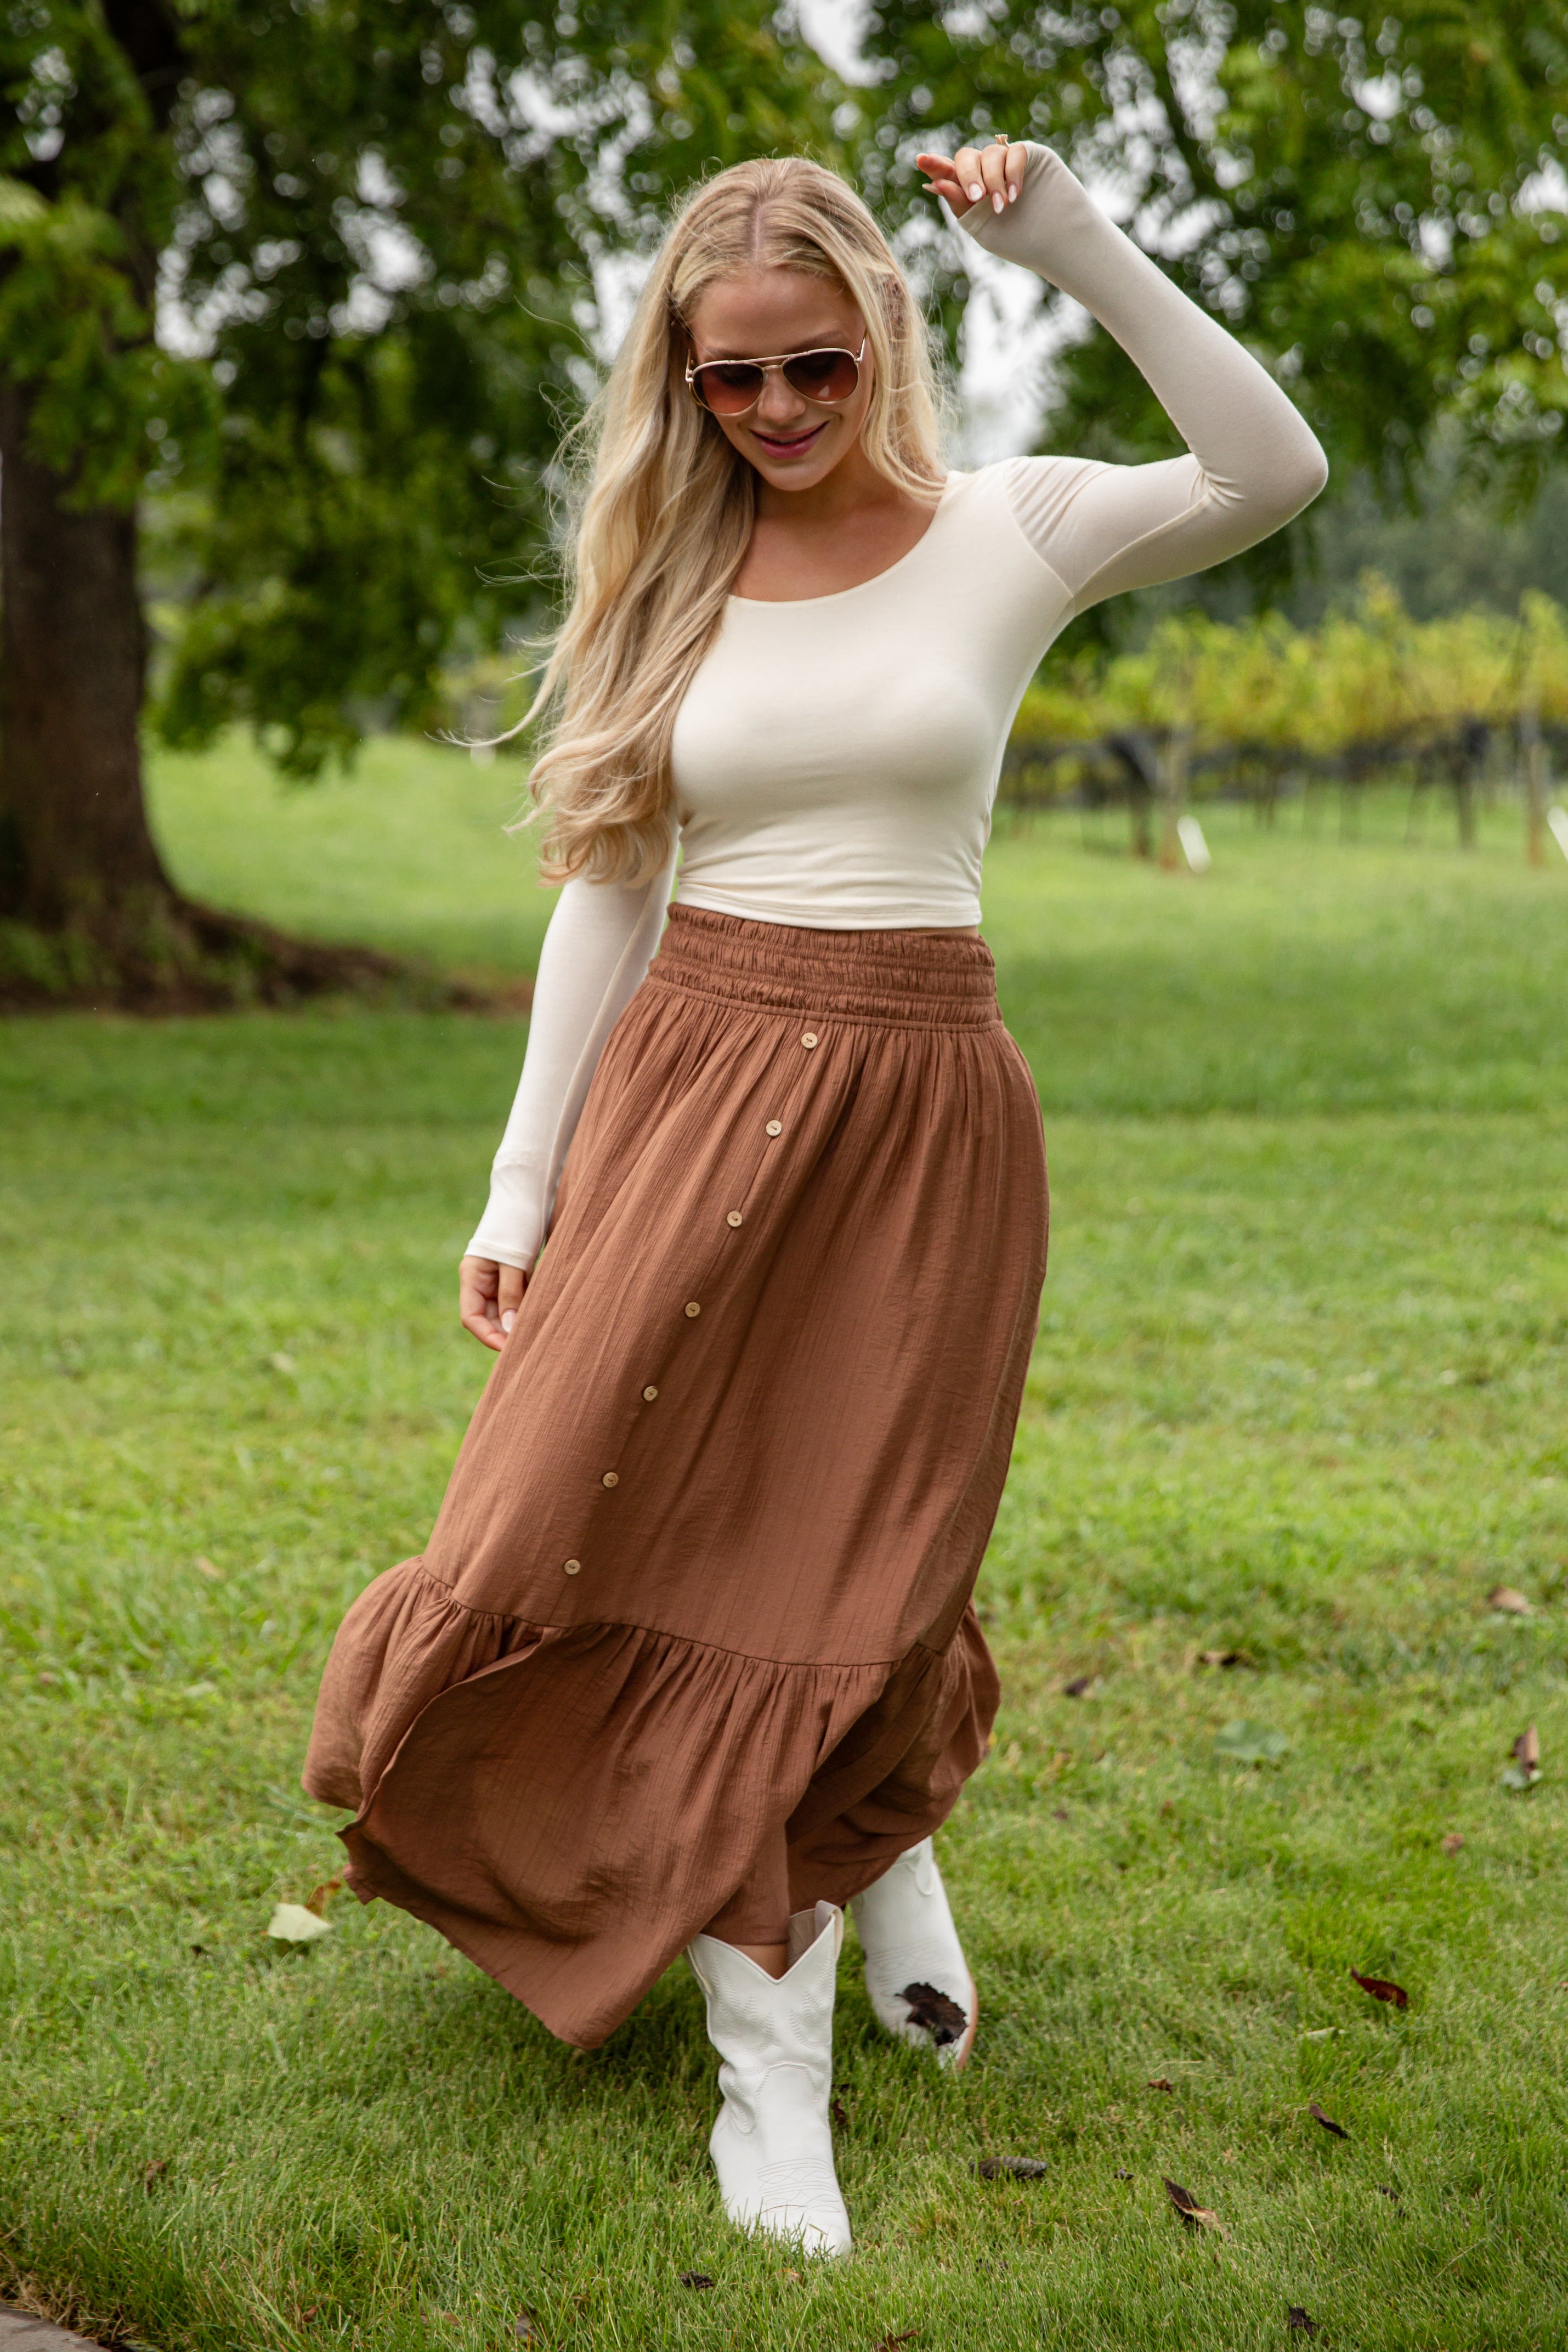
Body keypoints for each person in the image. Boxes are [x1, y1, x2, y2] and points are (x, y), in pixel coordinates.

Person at [303, 131, 1325, 2259]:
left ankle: (786, 2055)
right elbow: (604, 885)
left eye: (809, 370)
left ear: (881, 335)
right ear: (681, 386)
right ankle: (847, 1910)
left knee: (839, 1539)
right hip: (690, 1090)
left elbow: (1268, 466)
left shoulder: (1009, 534)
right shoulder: (664, 575)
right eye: (726, 381)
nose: (769, 415)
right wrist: (522, 1176)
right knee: (584, 1521)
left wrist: (1071, 243)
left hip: (918, 1109)